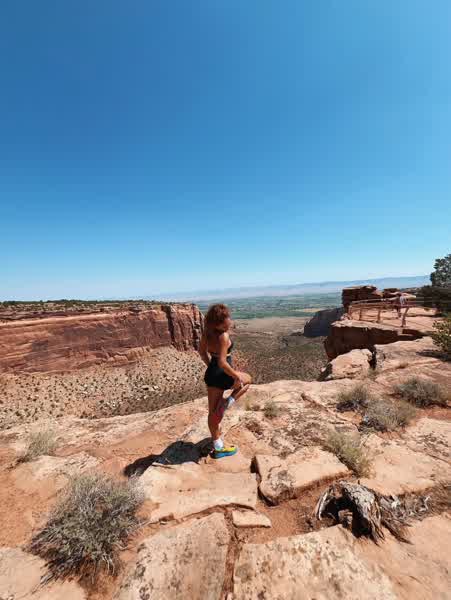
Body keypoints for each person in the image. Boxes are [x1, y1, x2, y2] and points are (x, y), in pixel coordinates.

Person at [198, 303, 252, 458]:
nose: (230, 320)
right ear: (220, 322)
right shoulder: (223, 336)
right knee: (248, 380)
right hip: (223, 374)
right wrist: (235, 375)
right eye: (228, 317)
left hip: (211, 374)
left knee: (212, 413)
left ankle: (218, 447)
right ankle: (227, 402)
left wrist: (210, 366)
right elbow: (222, 362)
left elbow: (201, 352)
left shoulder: (207, 333)